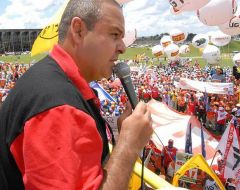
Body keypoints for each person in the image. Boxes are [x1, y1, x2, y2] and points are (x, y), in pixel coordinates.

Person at [0, 0, 153, 189]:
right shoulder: (60, 107)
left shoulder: (48, 79)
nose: (123, 47)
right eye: (114, 34)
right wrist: (129, 145)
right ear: (78, 30)